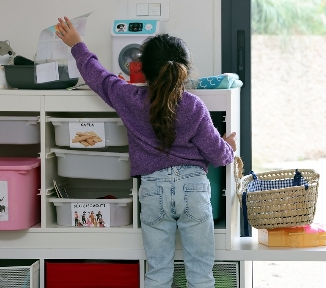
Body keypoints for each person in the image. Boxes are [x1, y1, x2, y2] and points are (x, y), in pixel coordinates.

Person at [55, 16, 237, 288]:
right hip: (193, 189)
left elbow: (98, 77)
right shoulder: (194, 106)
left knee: (157, 274)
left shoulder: (130, 99)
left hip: (152, 191)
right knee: (201, 275)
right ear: (184, 70)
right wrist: (229, 147)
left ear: (143, 69)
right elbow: (218, 156)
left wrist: (77, 44)